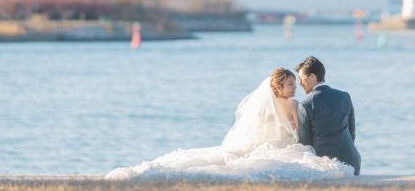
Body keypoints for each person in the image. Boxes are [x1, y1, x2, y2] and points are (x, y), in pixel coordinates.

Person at [105, 67, 353, 180]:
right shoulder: (294, 105)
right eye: (290, 83)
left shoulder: (266, 106)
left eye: (294, 83)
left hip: (264, 148)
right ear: (278, 87)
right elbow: (299, 138)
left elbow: (256, 131)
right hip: (283, 149)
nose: (295, 86)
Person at [295, 56, 361, 175]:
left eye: (301, 78)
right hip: (351, 161)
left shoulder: (305, 105)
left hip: (324, 166)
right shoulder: (345, 96)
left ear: (312, 77)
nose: (300, 83)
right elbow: (352, 132)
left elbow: (305, 145)